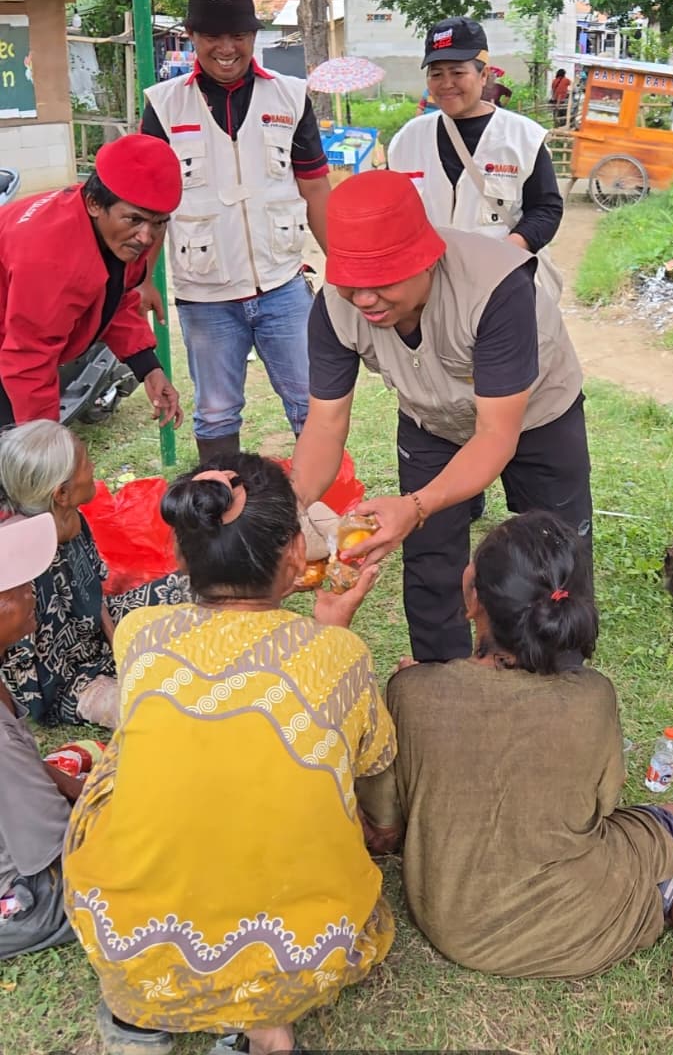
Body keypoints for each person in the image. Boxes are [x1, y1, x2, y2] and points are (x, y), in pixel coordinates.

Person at [357, 510, 673, 1016]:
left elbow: (384, 824)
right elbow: (604, 803)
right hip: (586, 926)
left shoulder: (412, 692)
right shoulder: (593, 696)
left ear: (471, 594)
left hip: (456, 925)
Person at [63, 452, 396, 1054]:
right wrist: (332, 632)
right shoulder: (338, 656)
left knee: (130, 752)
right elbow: (373, 762)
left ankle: (142, 1013)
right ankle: (264, 1023)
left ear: (182, 559)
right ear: (297, 554)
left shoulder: (141, 633)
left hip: (124, 937)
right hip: (301, 957)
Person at [289, 170, 591, 664]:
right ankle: (440, 684)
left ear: (426, 259)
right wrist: (290, 508)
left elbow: (495, 434)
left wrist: (418, 504)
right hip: (431, 422)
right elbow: (325, 422)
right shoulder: (332, 309)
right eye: (351, 283)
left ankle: (557, 682)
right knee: (430, 562)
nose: (364, 300)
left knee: (553, 558)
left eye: (381, 280)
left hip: (538, 418)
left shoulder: (496, 288)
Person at [140, 0, 332, 464]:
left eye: (239, 36)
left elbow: (314, 186)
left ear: (253, 37)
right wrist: (142, 278)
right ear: (193, 37)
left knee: (312, 406)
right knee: (216, 412)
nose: (226, 48)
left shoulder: (291, 96)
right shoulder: (163, 105)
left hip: (283, 285)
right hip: (205, 295)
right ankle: (222, 526)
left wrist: (346, 266)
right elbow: (150, 205)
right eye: (212, 36)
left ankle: (319, 516)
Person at [0, 421, 190, 729]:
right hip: (64, 685)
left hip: (96, 635)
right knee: (149, 706)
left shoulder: (74, 520)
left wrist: (119, 648)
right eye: (86, 463)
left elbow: (97, 595)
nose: (93, 467)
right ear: (61, 493)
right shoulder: (19, 562)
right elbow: (23, 669)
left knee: (194, 585)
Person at [0, 134, 183, 429]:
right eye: (135, 220)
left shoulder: (120, 233)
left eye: (159, 222)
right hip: (12, 355)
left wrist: (147, 367)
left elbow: (117, 298)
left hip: (18, 349)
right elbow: (28, 360)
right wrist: (47, 443)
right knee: (23, 460)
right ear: (95, 203)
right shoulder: (49, 256)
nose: (147, 237)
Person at [388, 16, 563, 254]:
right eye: (436, 74)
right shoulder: (408, 140)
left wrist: (507, 252)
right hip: (428, 282)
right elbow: (392, 210)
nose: (446, 83)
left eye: (457, 72)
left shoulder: (524, 138)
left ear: (483, 75)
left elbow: (546, 208)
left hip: (503, 278)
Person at [0, 510, 79, 962]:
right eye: (16, 587)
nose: (33, 591)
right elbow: (57, 847)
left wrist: (72, 785)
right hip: (26, 897)